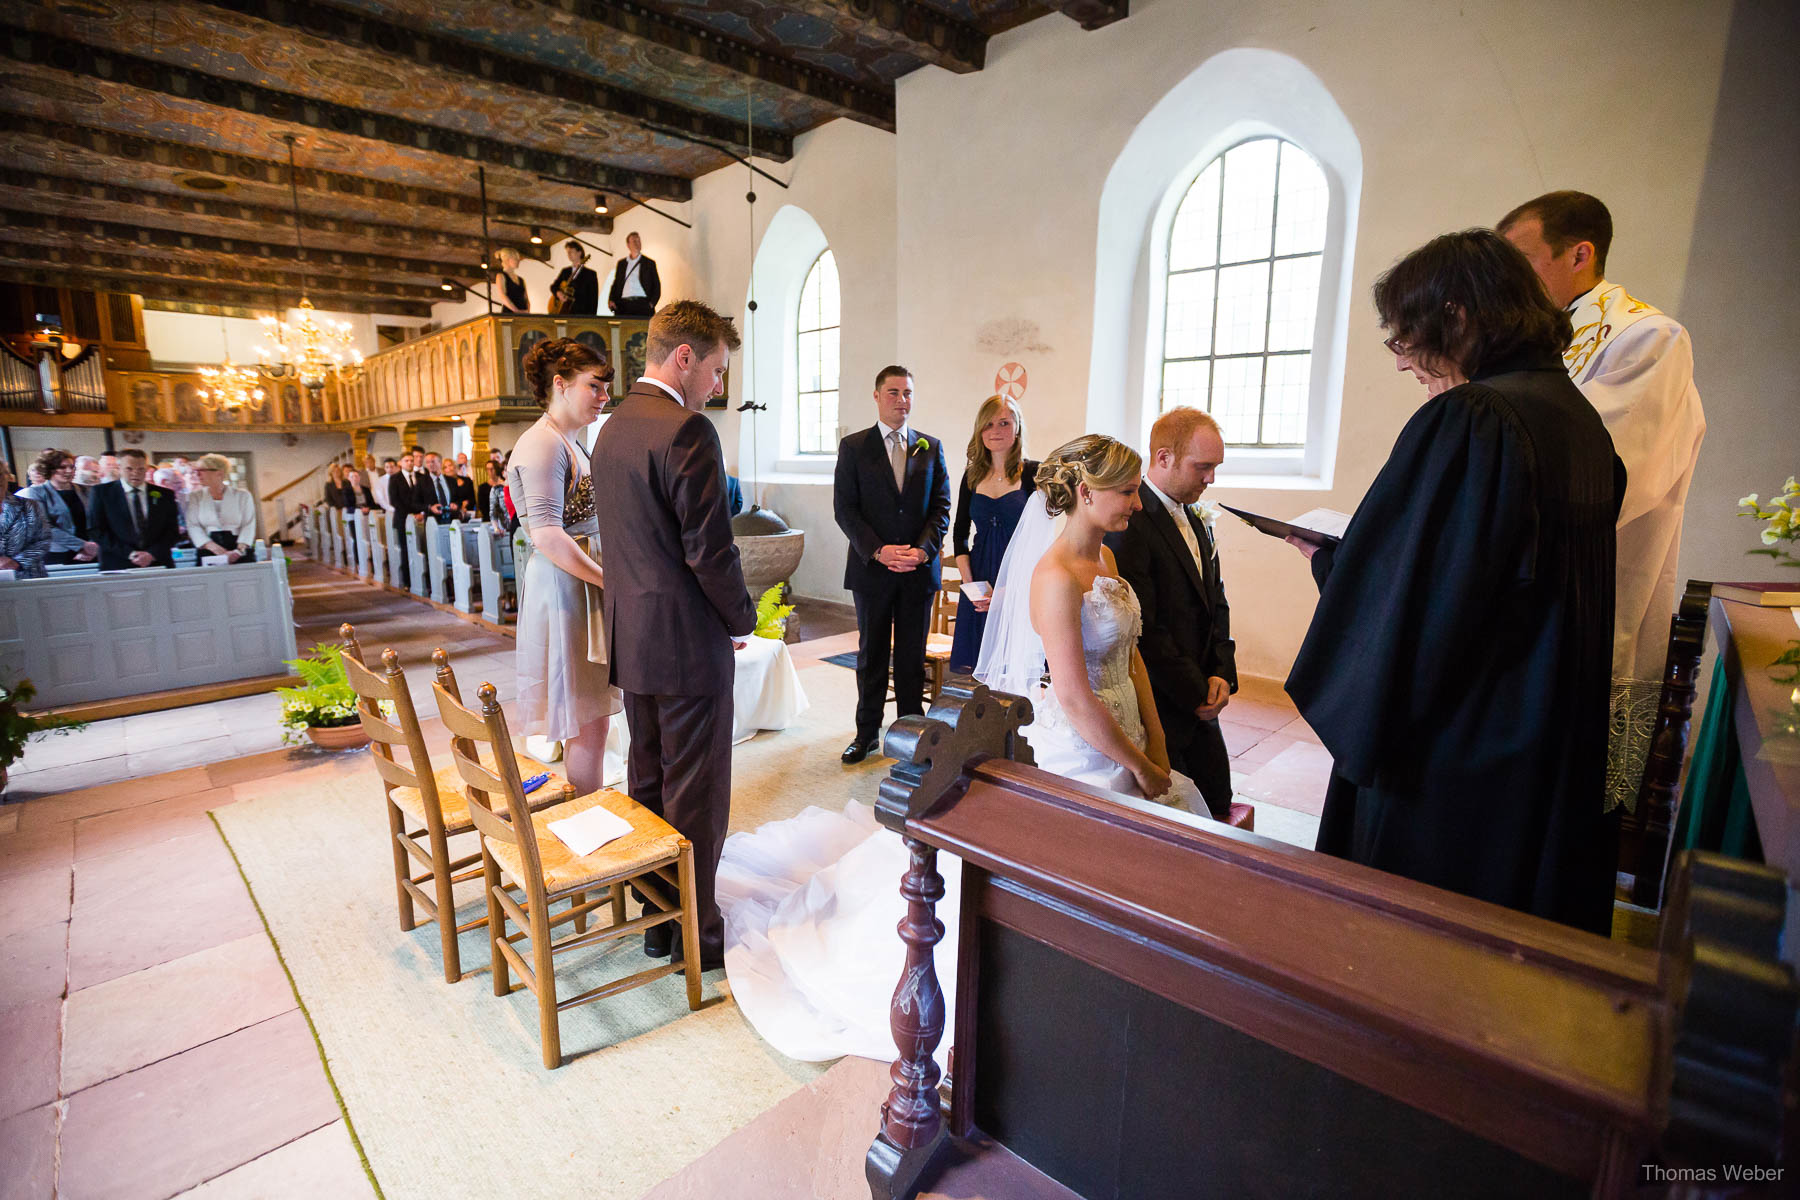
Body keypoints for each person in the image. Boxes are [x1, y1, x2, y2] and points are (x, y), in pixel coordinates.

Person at [714, 434, 1206, 1065]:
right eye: (1127, 491)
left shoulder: (1108, 566)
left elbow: (1129, 661)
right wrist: (1135, 765)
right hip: (1077, 748)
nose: (1137, 503)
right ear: (1085, 494)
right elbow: (1078, 700)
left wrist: (1154, 744)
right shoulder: (1053, 577)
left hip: (1128, 734)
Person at [1285, 229, 1622, 936]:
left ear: (1458, 316)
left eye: (1408, 338)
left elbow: (1421, 597)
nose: (1406, 361)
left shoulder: (1476, 417)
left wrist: (1330, 561)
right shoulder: (1576, 417)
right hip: (1544, 732)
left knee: (1422, 940)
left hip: (1464, 749)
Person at [1498, 191, 1707, 813]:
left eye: (1522, 260)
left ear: (1580, 253)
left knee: (1569, 784)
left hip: (1595, 575)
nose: (1509, 280)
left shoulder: (1647, 338)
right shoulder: (1532, 341)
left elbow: (1604, 472)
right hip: (1526, 571)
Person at [591, 300, 754, 971]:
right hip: (687, 642)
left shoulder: (613, 427)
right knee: (697, 793)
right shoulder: (685, 430)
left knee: (650, 782)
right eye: (716, 370)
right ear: (684, 357)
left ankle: (659, 922)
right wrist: (740, 619)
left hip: (635, 638)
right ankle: (697, 934)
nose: (718, 385)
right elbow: (708, 551)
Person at [1106, 407, 1237, 819]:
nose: (1210, 479)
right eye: (1203, 467)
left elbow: (1216, 602)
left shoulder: (1197, 517)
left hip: (1201, 695)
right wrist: (1197, 692)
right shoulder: (1131, 523)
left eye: (1215, 467)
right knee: (1176, 815)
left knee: (1218, 799)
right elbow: (1146, 630)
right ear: (1164, 458)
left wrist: (1221, 672)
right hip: (1162, 704)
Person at [510, 337, 622, 796]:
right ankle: (587, 823)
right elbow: (547, 535)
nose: (604, 397)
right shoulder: (543, 443)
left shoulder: (569, 442)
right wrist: (609, 582)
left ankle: (589, 814)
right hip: (565, 586)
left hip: (580, 581)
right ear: (560, 384)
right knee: (585, 720)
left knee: (592, 723)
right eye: (595, 386)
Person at [833, 366, 952, 764]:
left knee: (910, 657)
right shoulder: (854, 447)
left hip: (917, 571)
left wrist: (922, 552)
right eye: (894, 392)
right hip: (873, 570)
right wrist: (879, 550)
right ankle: (866, 733)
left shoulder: (930, 447)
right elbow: (845, 510)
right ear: (877, 395)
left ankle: (910, 736)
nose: (902, 400)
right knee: (872, 655)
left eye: (908, 393)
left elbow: (941, 509)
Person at [949, 395, 1038, 673]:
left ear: (1017, 427)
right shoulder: (972, 476)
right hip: (979, 579)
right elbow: (959, 534)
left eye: (1004, 423)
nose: (995, 431)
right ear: (979, 430)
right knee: (977, 670)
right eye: (988, 424)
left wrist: (1008, 593)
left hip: (1019, 579)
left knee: (1014, 669)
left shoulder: (1034, 473)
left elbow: (1039, 540)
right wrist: (972, 587)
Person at [90, 448, 180, 569]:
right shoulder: (102, 493)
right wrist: (130, 554)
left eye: (141, 469)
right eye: (129, 469)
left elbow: (172, 531)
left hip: (157, 561)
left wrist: (151, 554)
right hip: (117, 562)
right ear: (119, 468)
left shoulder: (164, 494)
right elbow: (96, 530)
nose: (135, 473)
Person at [21, 449, 98, 566]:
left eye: (72, 467)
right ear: (49, 469)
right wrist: (81, 545)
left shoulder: (87, 490)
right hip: (59, 554)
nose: (69, 471)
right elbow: (44, 527)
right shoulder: (35, 493)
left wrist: (92, 545)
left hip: (91, 551)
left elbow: (98, 520)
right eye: (63, 467)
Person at [184, 453, 256, 562]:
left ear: (219, 473)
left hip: (238, 547)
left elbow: (248, 524)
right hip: (208, 547)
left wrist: (238, 551)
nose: (197, 475)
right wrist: (217, 550)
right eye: (196, 471)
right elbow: (193, 526)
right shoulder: (195, 496)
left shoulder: (243, 495)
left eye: (202, 470)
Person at [0, 458, 51, 579]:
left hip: (29, 575)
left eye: (1, 474)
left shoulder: (28, 505)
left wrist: (18, 562)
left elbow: (44, 539)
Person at [607, 231, 661, 317]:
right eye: (634, 241)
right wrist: (611, 299)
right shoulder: (622, 264)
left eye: (638, 241)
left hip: (642, 304)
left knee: (642, 329)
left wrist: (651, 304)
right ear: (628, 245)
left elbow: (656, 285)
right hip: (623, 305)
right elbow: (616, 283)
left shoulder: (649, 263)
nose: (637, 243)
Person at [549, 240, 599, 315]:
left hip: (581, 315)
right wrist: (558, 293)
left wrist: (591, 319)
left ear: (579, 253)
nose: (568, 254)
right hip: (563, 313)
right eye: (567, 252)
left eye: (571, 251)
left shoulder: (590, 274)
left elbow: (593, 300)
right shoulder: (565, 271)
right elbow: (553, 286)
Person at [493, 247, 530, 313]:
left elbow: (526, 298)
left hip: (523, 312)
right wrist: (516, 311)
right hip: (509, 313)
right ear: (507, 260)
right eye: (515, 259)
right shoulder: (501, 276)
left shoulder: (521, 279)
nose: (518, 261)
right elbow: (502, 295)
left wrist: (527, 311)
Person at [477, 458, 501, 522]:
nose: (490, 471)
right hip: (488, 519)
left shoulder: (505, 484)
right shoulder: (482, 487)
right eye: (487, 469)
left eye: (492, 469)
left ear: (497, 469)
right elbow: (482, 506)